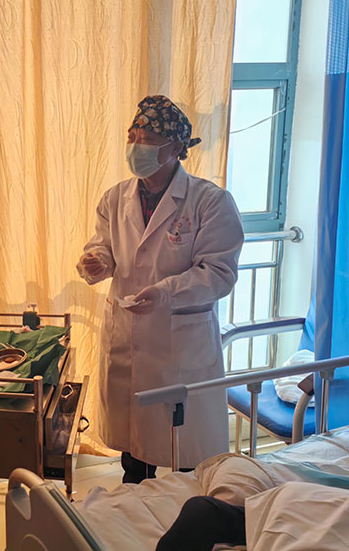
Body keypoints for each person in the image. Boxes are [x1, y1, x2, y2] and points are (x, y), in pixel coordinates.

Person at [77, 95, 243, 483]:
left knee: (183, 451)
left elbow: (219, 273)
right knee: (134, 448)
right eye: (133, 136)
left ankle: (185, 505)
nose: (137, 146)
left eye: (148, 139)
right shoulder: (115, 198)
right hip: (127, 333)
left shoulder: (210, 201)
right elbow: (104, 246)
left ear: (175, 148)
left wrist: (166, 292)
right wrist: (97, 260)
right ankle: (134, 493)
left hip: (179, 342)